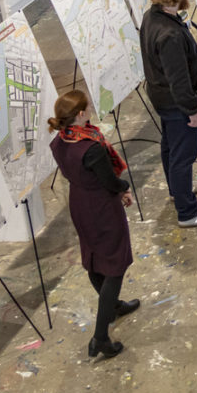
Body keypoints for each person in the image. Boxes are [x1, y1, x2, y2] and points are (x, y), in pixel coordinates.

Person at [47, 89, 138, 359]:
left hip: (80, 204)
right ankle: (100, 337)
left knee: (95, 256)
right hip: (101, 207)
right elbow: (110, 181)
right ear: (80, 114)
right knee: (115, 263)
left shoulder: (60, 142)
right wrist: (124, 187)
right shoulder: (92, 148)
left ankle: (113, 306)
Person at [139, 0, 197, 228]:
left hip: (161, 97)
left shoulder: (152, 17)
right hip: (176, 103)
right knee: (183, 155)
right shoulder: (170, 35)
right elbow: (179, 79)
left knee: (170, 147)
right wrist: (192, 109)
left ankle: (178, 190)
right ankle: (188, 212)